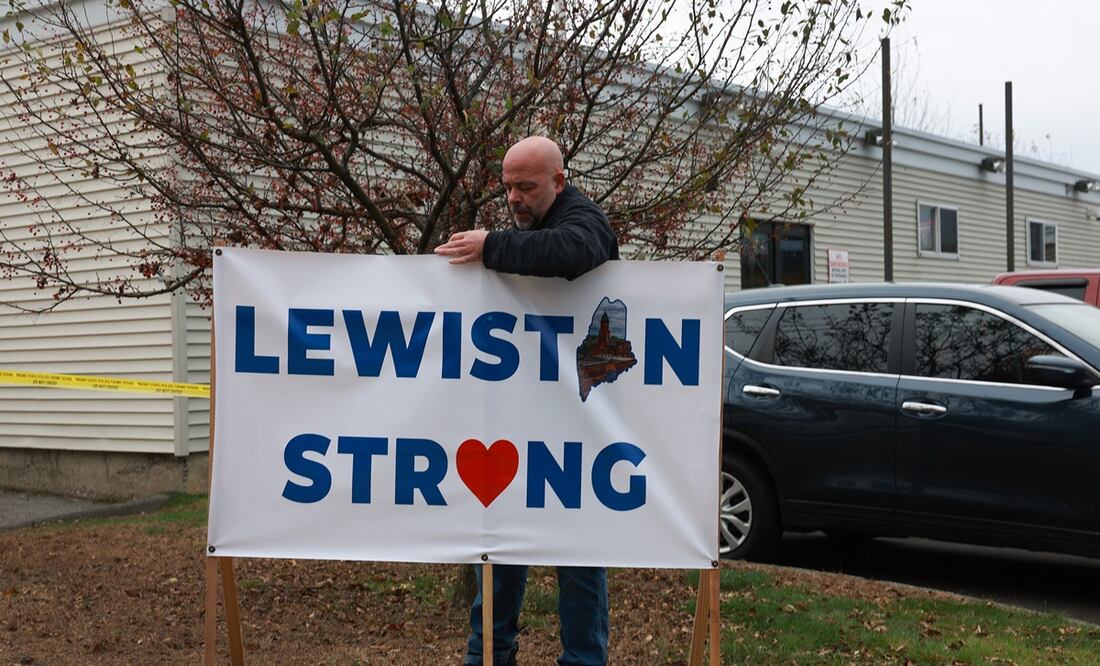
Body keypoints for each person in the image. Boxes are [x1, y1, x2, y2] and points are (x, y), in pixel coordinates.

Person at [435, 136, 618, 666]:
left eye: (527, 187)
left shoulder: (584, 218)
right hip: (511, 423)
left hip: (574, 428)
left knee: (579, 552)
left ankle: (581, 660)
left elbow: (575, 252)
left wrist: (491, 247)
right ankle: (489, 654)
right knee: (499, 545)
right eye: (508, 186)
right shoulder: (528, 223)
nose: (514, 198)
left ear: (559, 182)